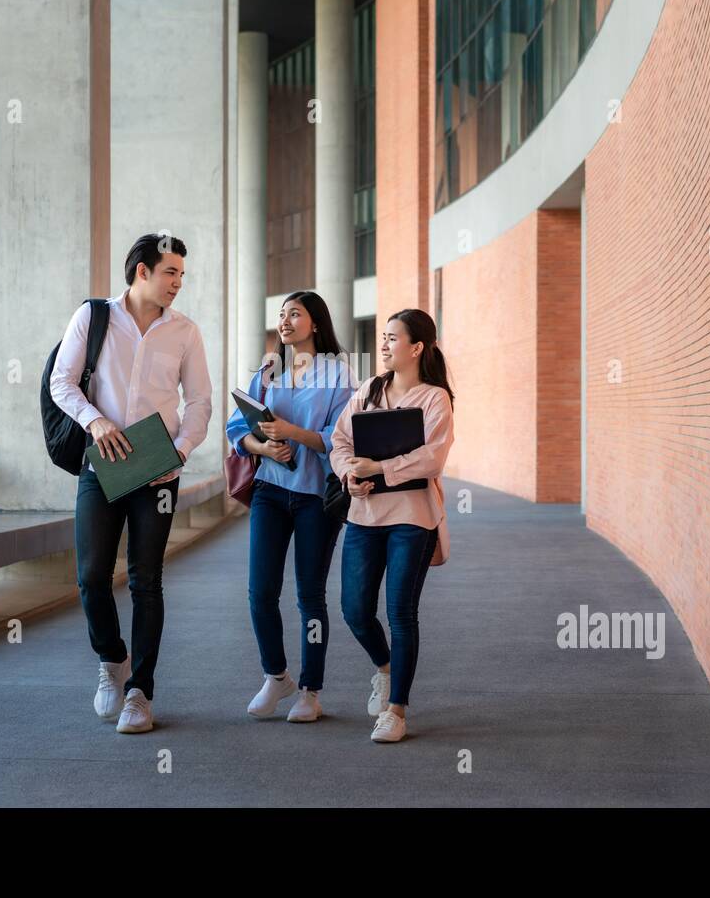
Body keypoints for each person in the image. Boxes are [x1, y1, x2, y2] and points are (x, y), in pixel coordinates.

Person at [49, 233, 212, 734]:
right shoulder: (94, 317)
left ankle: (140, 691)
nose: (178, 283)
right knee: (92, 576)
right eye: (170, 273)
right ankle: (111, 658)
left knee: (146, 580)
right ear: (142, 271)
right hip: (102, 466)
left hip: (158, 472)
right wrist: (95, 421)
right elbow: (62, 382)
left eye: (182, 275)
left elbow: (200, 403)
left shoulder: (185, 332)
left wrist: (180, 453)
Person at [225, 291, 354, 722]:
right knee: (260, 592)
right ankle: (276, 675)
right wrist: (264, 446)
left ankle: (310, 691)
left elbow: (339, 438)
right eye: (281, 314)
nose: (284, 320)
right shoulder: (268, 370)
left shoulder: (339, 375)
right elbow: (236, 428)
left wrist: (292, 433)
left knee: (309, 596)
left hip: (315, 497)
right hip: (269, 491)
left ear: (315, 323)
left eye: (294, 313)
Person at [329, 308, 454, 743]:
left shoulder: (434, 398)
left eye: (392, 338)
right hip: (364, 516)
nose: (383, 344)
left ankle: (397, 710)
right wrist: (350, 474)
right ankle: (385, 667)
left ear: (416, 347)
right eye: (382, 337)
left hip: (413, 517)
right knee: (354, 610)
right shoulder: (368, 390)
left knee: (401, 612)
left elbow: (432, 458)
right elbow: (340, 440)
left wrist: (378, 467)